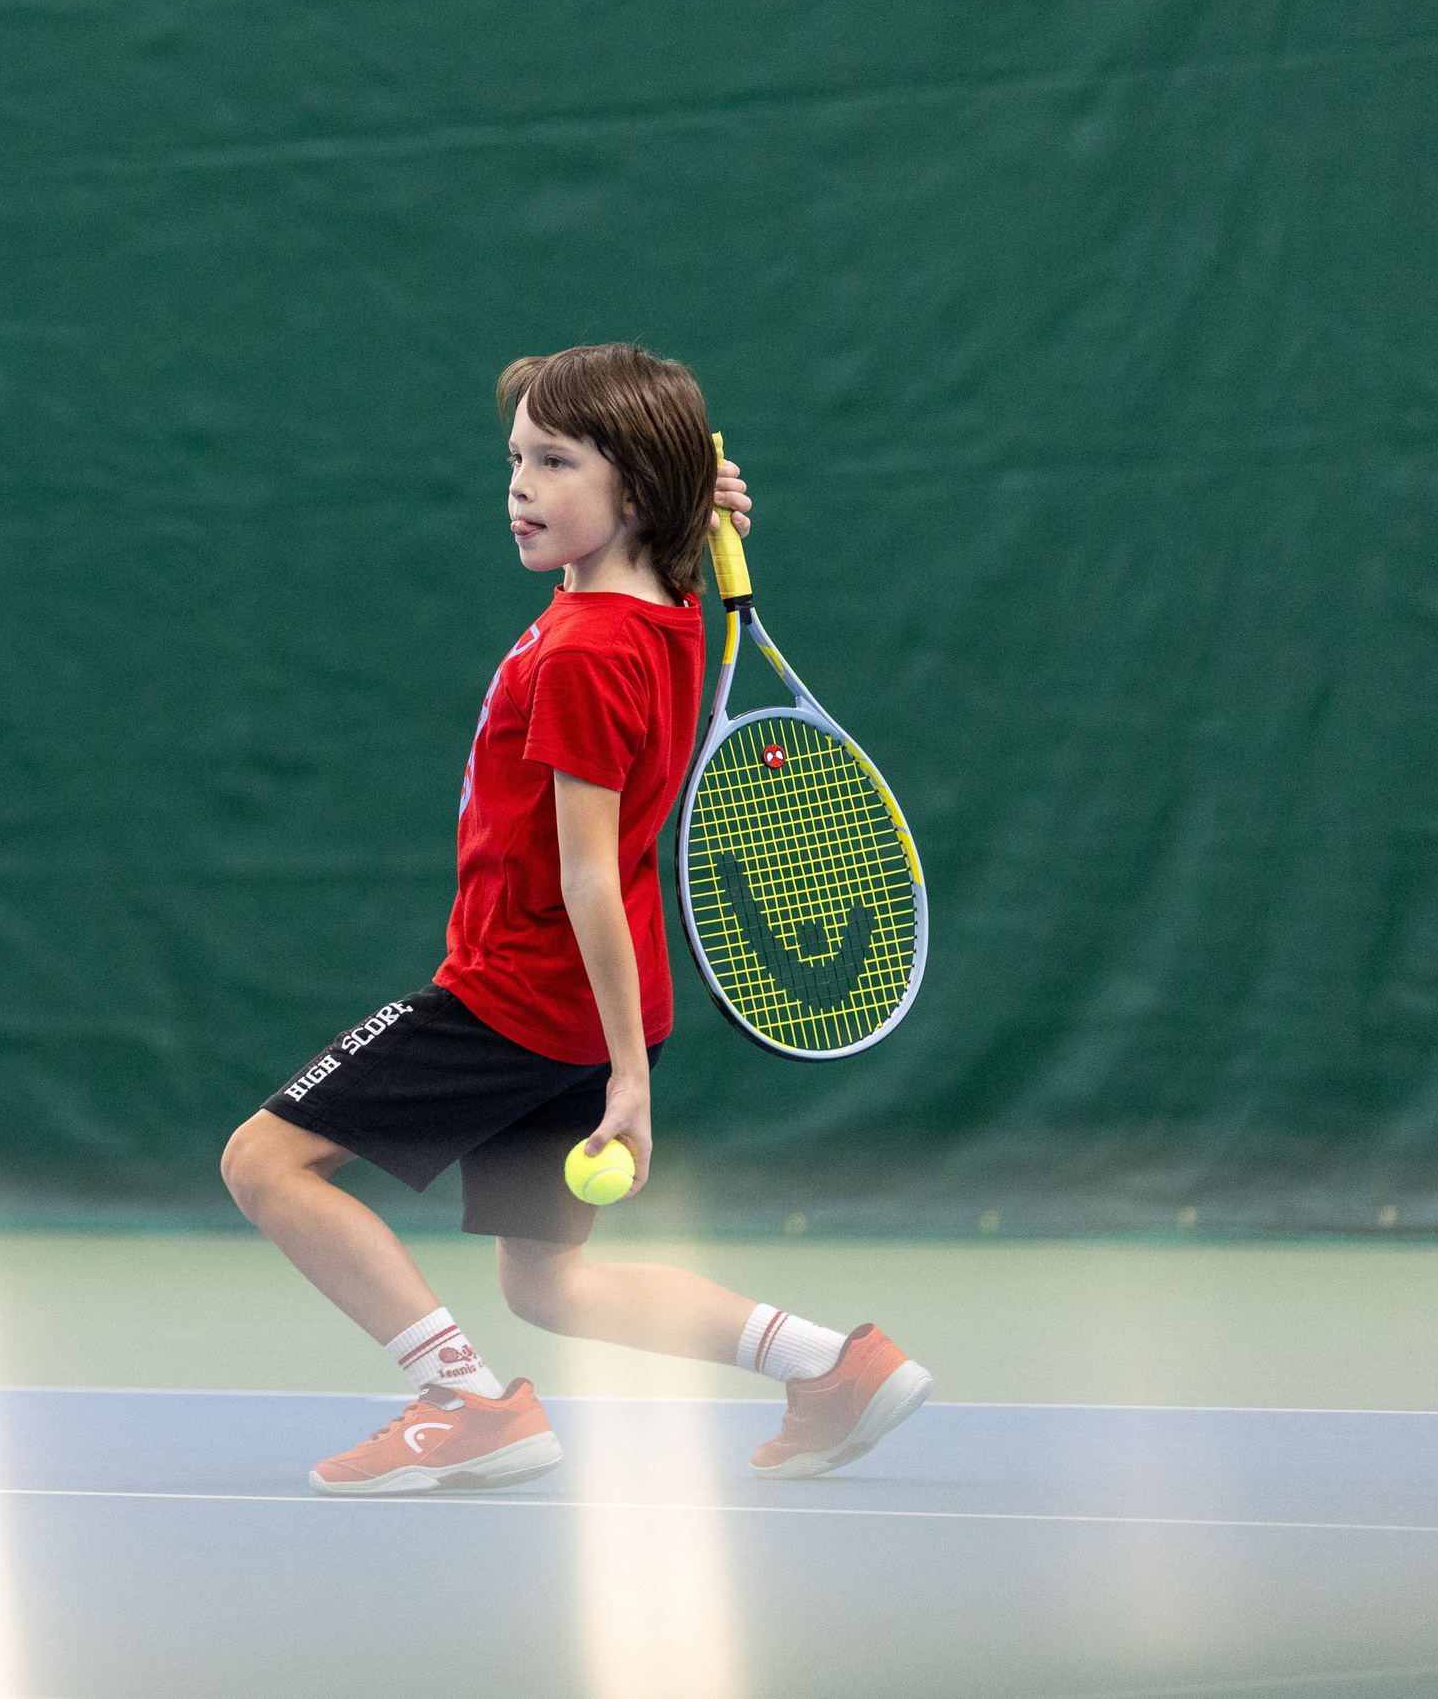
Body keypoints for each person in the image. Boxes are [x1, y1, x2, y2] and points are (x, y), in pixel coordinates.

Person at [221, 343, 932, 1494]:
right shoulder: (661, 609)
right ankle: (831, 1366)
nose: (519, 488)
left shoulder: (587, 652)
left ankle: (460, 1402)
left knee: (264, 1162)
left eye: (554, 462)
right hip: (603, 1007)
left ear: (636, 496)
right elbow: (662, 525)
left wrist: (628, 1086)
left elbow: (589, 873)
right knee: (542, 1280)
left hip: (516, 995)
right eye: (514, 460)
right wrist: (694, 505)